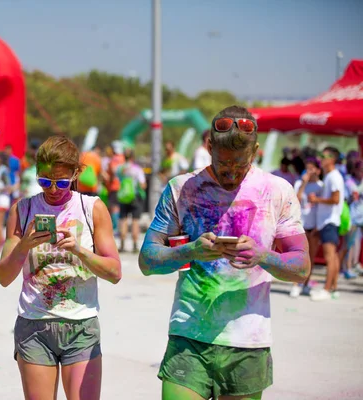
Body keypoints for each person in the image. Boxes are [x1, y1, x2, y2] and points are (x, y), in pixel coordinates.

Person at [139, 105, 310, 400]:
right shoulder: (182, 188)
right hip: (189, 337)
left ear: (255, 151)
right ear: (208, 147)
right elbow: (147, 261)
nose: (231, 172)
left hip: (248, 343)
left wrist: (263, 256)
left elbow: (302, 267)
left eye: (240, 165)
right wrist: (189, 251)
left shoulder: (277, 190)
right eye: (223, 164)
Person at [0, 135, 121, 400]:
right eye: (45, 181)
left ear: (76, 173)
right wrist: (24, 245)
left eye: (62, 182)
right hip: (34, 324)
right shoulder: (23, 209)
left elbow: (114, 272)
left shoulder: (92, 209)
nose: (53, 189)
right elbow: (3, 277)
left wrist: (78, 250)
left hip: (81, 326)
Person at [308, 147, 345, 301]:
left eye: (324, 156)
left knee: (330, 257)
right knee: (334, 257)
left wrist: (317, 200)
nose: (321, 158)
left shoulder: (334, 177)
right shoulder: (330, 176)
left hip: (330, 222)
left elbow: (335, 200)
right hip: (327, 222)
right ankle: (333, 288)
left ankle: (326, 289)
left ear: (332, 159)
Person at [290, 158, 324, 297]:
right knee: (299, 256)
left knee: (311, 257)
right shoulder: (299, 183)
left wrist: (319, 225)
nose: (309, 171)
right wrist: (304, 183)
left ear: (318, 170)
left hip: (314, 225)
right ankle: (295, 284)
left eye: (312, 168)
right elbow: (296, 201)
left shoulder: (321, 186)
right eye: (307, 168)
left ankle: (305, 284)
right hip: (301, 224)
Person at [117, 148, 147, 253]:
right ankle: (134, 246)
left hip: (123, 197)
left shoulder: (120, 169)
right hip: (135, 197)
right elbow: (143, 184)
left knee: (123, 220)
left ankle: (122, 244)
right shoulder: (137, 169)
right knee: (135, 221)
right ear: (133, 157)